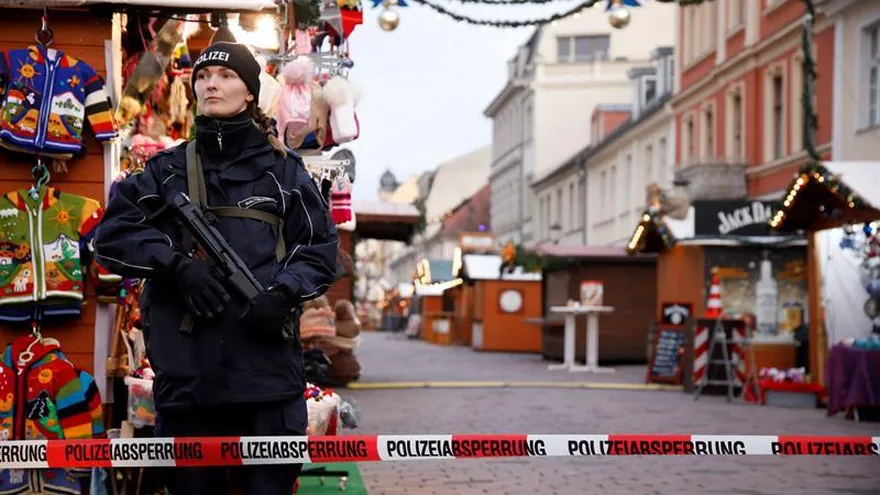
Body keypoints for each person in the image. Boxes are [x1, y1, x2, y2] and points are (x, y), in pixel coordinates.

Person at [94, 42, 339, 495]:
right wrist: (176, 266)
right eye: (204, 76)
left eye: (226, 76)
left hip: (267, 378)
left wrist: (284, 292)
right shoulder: (165, 172)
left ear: (249, 92)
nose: (211, 83)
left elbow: (320, 248)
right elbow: (110, 236)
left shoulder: (284, 174)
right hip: (190, 382)